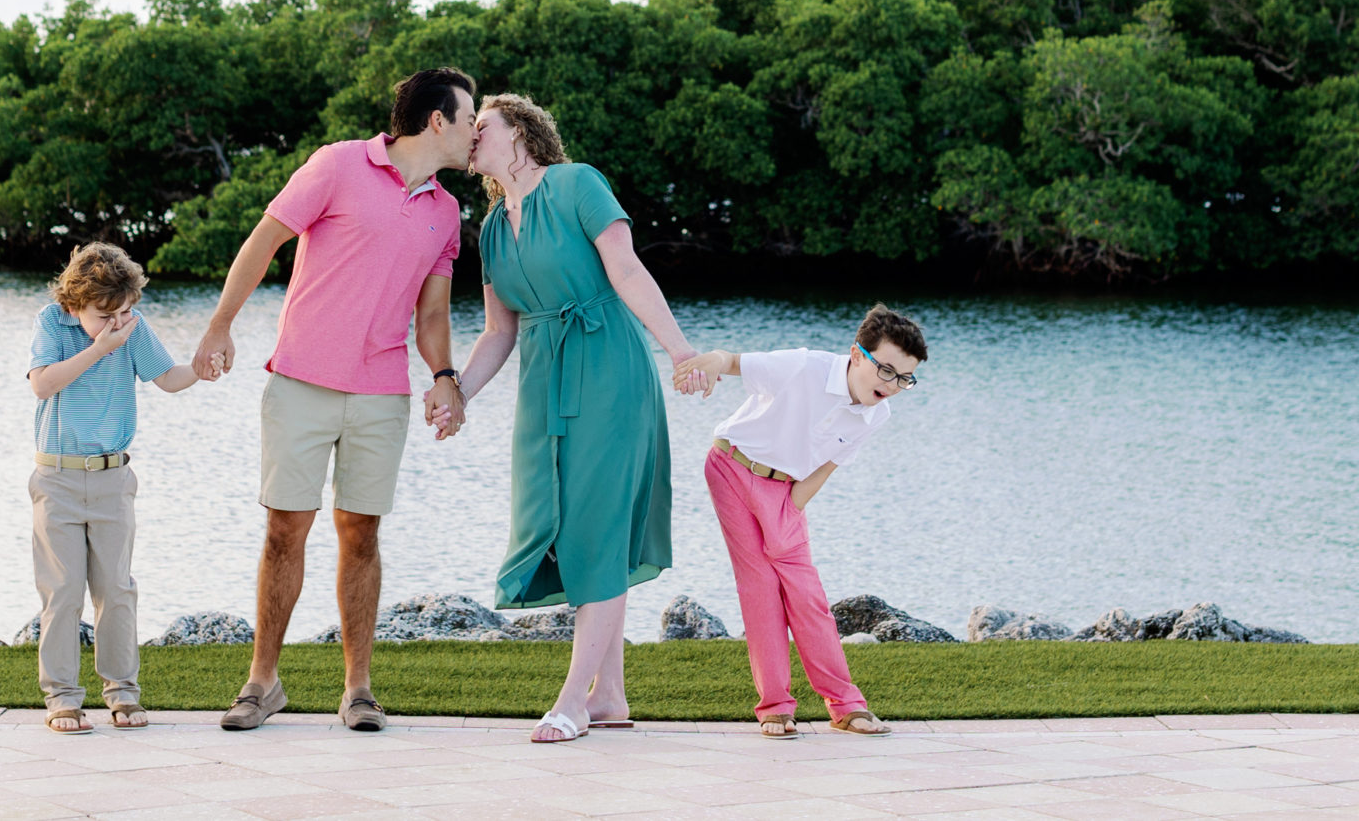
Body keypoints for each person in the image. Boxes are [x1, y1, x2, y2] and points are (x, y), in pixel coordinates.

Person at [191, 67, 477, 732]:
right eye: (470, 118)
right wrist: (219, 324)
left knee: (363, 534)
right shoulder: (338, 164)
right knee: (285, 530)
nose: (476, 131)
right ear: (437, 119)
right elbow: (265, 239)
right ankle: (263, 681)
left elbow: (432, 314)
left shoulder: (445, 212)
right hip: (300, 382)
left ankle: (358, 689)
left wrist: (444, 373)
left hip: (381, 395)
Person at [447, 93, 699, 745]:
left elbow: (626, 269)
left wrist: (680, 349)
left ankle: (574, 700)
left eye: (483, 125)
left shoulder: (579, 183)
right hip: (543, 381)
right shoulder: (494, 229)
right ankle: (610, 692)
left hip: (610, 366)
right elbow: (498, 330)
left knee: (598, 526)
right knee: (562, 524)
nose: (470, 135)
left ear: (521, 135)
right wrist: (458, 392)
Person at [672, 303, 929, 737]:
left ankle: (846, 706)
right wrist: (704, 365)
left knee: (805, 593)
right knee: (760, 588)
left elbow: (824, 468)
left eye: (905, 378)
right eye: (886, 370)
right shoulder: (803, 366)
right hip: (731, 466)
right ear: (855, 354)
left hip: (787, 490)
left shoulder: (877, 413)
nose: (894, 385)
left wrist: (785, 515)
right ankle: (775, 707)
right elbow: (730, 361)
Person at [25, 240, 210, 733]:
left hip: (113, 479)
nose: (118, 323)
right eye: (105, 315)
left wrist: (202, 368)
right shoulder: (53, 323)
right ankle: (63, 697)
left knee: (116, 590)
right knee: (62, 592)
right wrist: (99, 348)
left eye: (126, 312)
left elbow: (168, 378)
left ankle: (123, 693)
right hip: (57, 478)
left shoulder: (132, 326)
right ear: (74, 304)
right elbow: (42, 384)